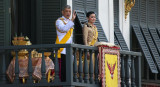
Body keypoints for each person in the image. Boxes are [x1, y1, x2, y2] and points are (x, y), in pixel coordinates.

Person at [55, 5, 76, 81]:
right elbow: (63, 29)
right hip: (61, 49)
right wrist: (72, 21)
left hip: (69, 50)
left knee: (68, 70)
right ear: (62, 12)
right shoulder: (59, 21)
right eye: (66, 11)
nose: (68, 13)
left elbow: (70, 37)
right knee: (62, 70)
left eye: (69, 11)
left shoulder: (69, 22)